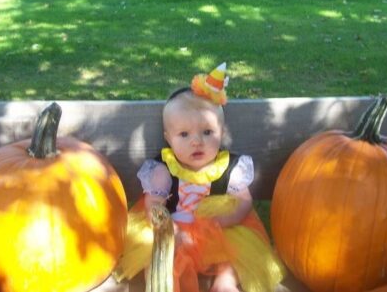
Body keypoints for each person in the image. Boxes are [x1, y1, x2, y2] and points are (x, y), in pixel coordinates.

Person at [114, 63, 287, 292]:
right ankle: (163, 284)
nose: (197, 141)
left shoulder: (229, 168)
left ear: (222, 133)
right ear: (169, 138)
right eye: (184, 134)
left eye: (207, 132)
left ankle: (224, 282)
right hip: (174, 227)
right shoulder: (163, 170)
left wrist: (221, 223)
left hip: (219, 229)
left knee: (232, 255)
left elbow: (244, 202)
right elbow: (153, 204)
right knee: (154, 254)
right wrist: (168, 230)